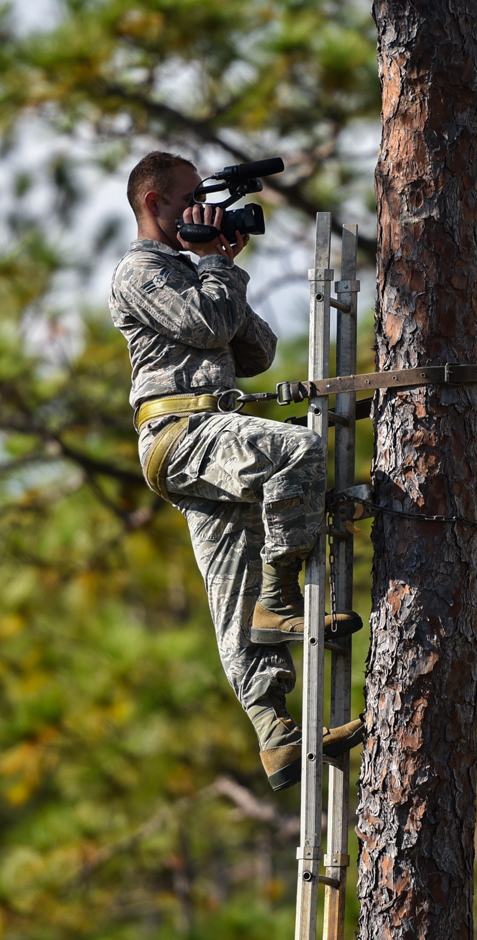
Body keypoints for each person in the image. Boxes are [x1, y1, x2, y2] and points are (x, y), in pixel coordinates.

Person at [110, 151, 364, 791]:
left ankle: (277, 737)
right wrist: (214, 265)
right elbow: (208, 324)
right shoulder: (140, 271)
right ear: (154, 204)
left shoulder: (195, 272)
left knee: (233, 600)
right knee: (298, 451)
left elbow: (256, 351)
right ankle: (280, 600)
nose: (203, 210)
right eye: (190, 200)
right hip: (182, 435)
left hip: (206, 440)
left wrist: (220, 263)